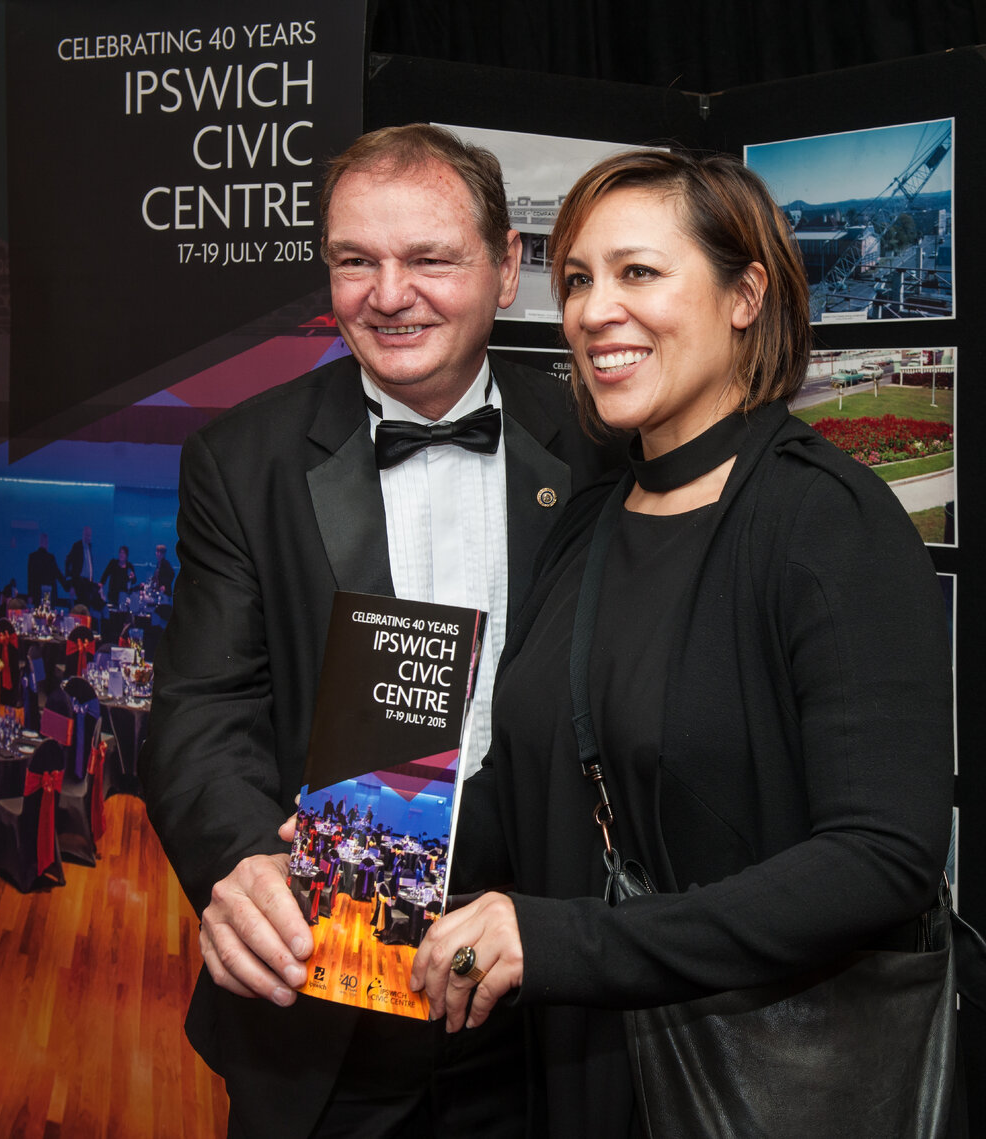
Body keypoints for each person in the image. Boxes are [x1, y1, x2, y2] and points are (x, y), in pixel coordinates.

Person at [411, 149, 954, 1136]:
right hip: (575, 1073)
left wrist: (568, 938)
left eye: (638, 272)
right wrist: (363, 856)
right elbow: (525, 784)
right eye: (576, 278)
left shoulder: (828, 523)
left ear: (745, 292)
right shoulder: (591, 517)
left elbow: (881, 857)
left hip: (764, 1077)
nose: (591, 309)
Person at [139, 123, 614, 1138]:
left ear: (504, 267)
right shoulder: (243, 458)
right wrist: (238, 863)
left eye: (429, 258)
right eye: (356, 260)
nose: (387, 293)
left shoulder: (597, 445)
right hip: (321, 1004)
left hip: (547, 1019)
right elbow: (203, 705)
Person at [64, 525, 101, 609]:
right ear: (83, 535)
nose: (88, 537)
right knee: (81, 605)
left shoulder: (89, 547)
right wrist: (71, 584)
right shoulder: (77, 546)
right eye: (86, 535)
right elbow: (68, 563)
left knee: (88, 605)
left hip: (88, 583)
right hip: (80, 582)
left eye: (89, 535)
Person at [27, 533, 68, 605]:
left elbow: (30, 577)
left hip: (37, 592)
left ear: (39, 542)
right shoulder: (50, 558)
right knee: (47, 611)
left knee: (38, 613)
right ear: (46, 543)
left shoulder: (33, 557)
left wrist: (30, 595)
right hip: (48, 592)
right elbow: (58, 574)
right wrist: (68, 587)